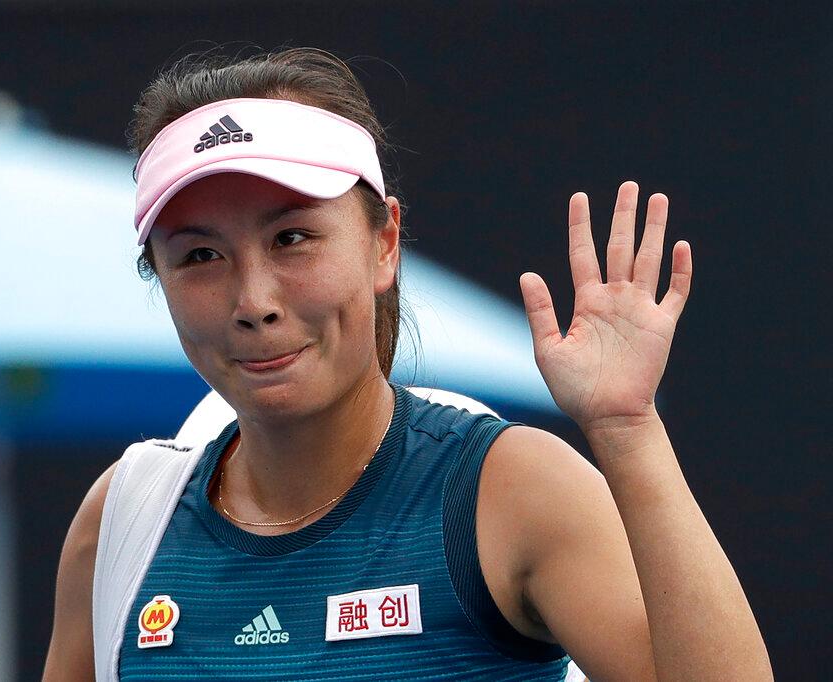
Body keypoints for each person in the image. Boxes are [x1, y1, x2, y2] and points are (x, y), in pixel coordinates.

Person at [43, 48, 772, 681]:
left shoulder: (504, 490)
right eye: (200, 255)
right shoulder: (124, 522)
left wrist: (627, 428)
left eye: (293, 237)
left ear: (384, 244)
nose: (253, 300)